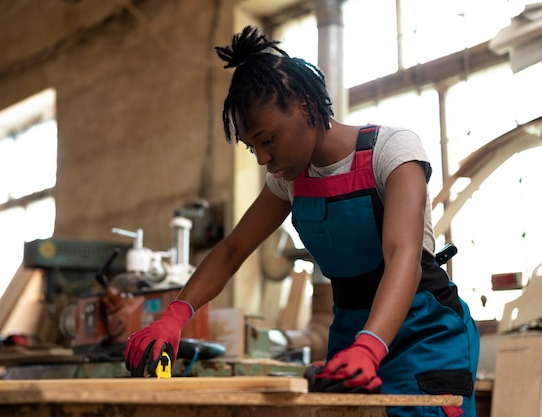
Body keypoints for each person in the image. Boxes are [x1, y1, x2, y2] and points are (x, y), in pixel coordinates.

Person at [124, 26, 479, 416]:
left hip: (422, 333)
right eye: (252, 147)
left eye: (268, 139)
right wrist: (176, 314)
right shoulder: (287, 182)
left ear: (307, 108)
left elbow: (403, 256)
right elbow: (231, 251)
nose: (262, 158)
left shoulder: (392, 151)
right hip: (351, 334)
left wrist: (371, 345)